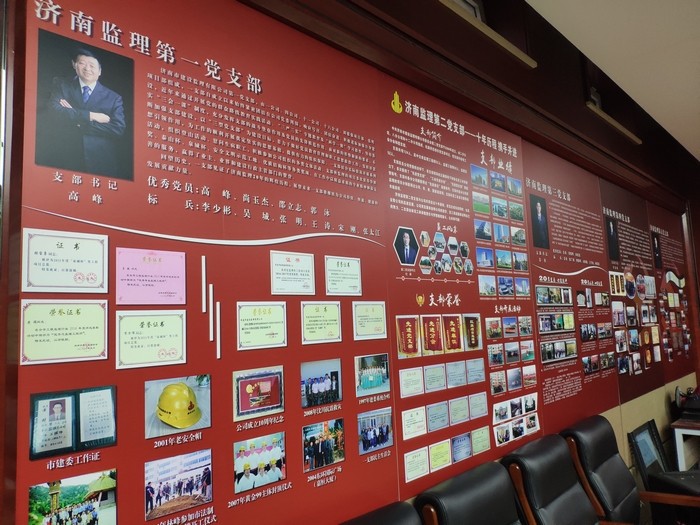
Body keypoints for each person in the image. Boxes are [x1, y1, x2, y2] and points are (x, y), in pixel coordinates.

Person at [39, 48, 126, 177]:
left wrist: (79, 122)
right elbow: (54, 110)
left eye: (92, 65)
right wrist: (91, 116)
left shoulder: (113, 98)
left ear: (100, 71)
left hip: (100, 160)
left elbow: (118, 129)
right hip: (65, 156)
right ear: (74, 65)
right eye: (82, 63)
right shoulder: (62, 85)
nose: (87, 69)